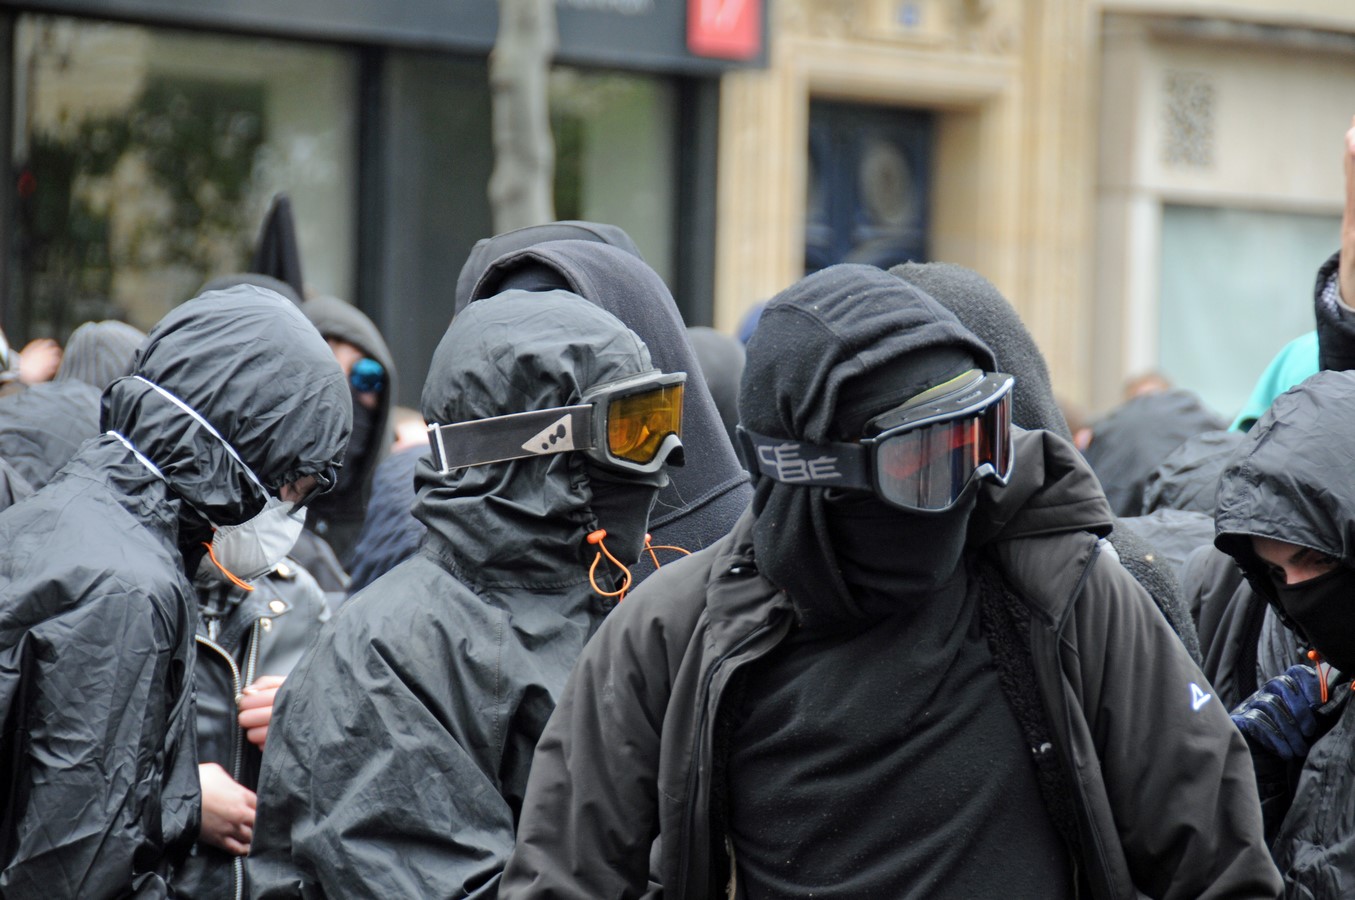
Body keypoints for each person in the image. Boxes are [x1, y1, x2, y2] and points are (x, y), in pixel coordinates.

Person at [499, 264, 1279, 899]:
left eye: (983, 438)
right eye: (925, 463)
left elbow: (1219, 866)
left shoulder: (1061, 591)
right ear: (806, 476)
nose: (968, 486)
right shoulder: (669, 636)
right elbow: (564, 879)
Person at [248, 288, 686, 898]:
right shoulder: (386, 651)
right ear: (538, 448)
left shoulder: (627, 607)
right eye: (631, 429)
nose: (667, 456)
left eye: (662, 420)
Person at [0, 284, 351, 899]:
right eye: (292, 486)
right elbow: (80, 868)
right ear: (242, 449)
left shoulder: (59, 518)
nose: (288, 514)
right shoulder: (130, 588)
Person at [1213, 370, 1355, 893]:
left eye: (1316, 559)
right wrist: (1251, 778)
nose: (1296, 591)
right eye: (1275, 573)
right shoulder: (1330, 692)